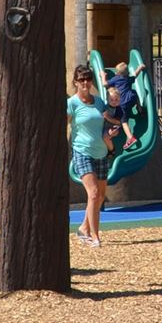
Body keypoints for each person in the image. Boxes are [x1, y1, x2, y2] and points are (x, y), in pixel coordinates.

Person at [68, 66, 112, 247]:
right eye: (81, 80)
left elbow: (108, 122)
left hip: (101, 152)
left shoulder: (99, 102)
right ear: (76, 82)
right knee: (93, 193)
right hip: (82, 151)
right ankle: (95, 236)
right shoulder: (72, 103)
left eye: (88, 79)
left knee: (100, 196)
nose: (85, 83)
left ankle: (84, 227)